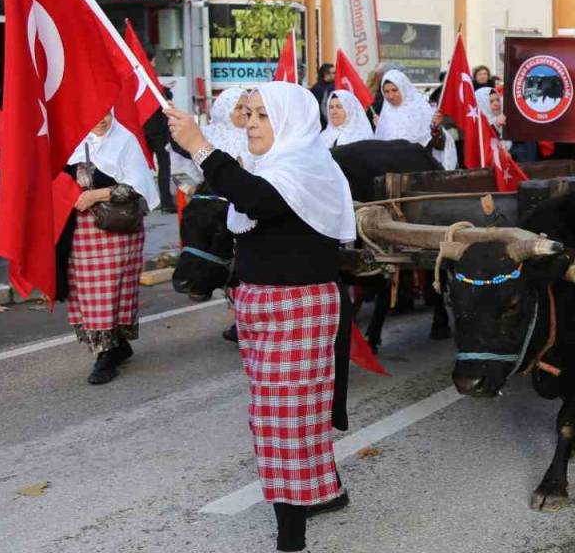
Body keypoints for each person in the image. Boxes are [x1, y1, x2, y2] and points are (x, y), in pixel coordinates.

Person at [166, 82, 355, 552]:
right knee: (282, 420)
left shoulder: (304, 168)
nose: (249, 122)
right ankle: (324, 492)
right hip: (261, 309)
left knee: (287, 425)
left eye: (261, 115)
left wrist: (199, 145)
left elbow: (255, 199)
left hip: (297, 311)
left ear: (290, 121)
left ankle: (291, 540)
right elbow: (244, 197)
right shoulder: (274, 166)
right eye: (247, 113)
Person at [58, 113, 160, 385]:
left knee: (112, 290)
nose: (101, 120)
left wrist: (97, 194)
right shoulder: (74, 141)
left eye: (106, 113)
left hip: (117, 230)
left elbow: (138, 187)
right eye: (93, 112)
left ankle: (107, 354)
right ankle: (113, 347)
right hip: (80, 232)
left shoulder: (124, 140)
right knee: (86, 290)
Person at [376, 70, 457, 169]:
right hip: (393, 173)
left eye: (394, 90)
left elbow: (439, 146)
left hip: (420, 171)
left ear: (403, 88)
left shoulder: (421, 110)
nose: (390, 96)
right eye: (386, 92)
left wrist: (435, 128)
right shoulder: (385, 115)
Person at [143, 74, 178, 213]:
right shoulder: (155, 85)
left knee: (144, 168)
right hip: (159, 131)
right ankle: (166, 202)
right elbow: (167, 99)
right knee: (164, 167)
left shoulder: (139, 83)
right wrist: (165, 88)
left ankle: (145, 203)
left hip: (144, 130)